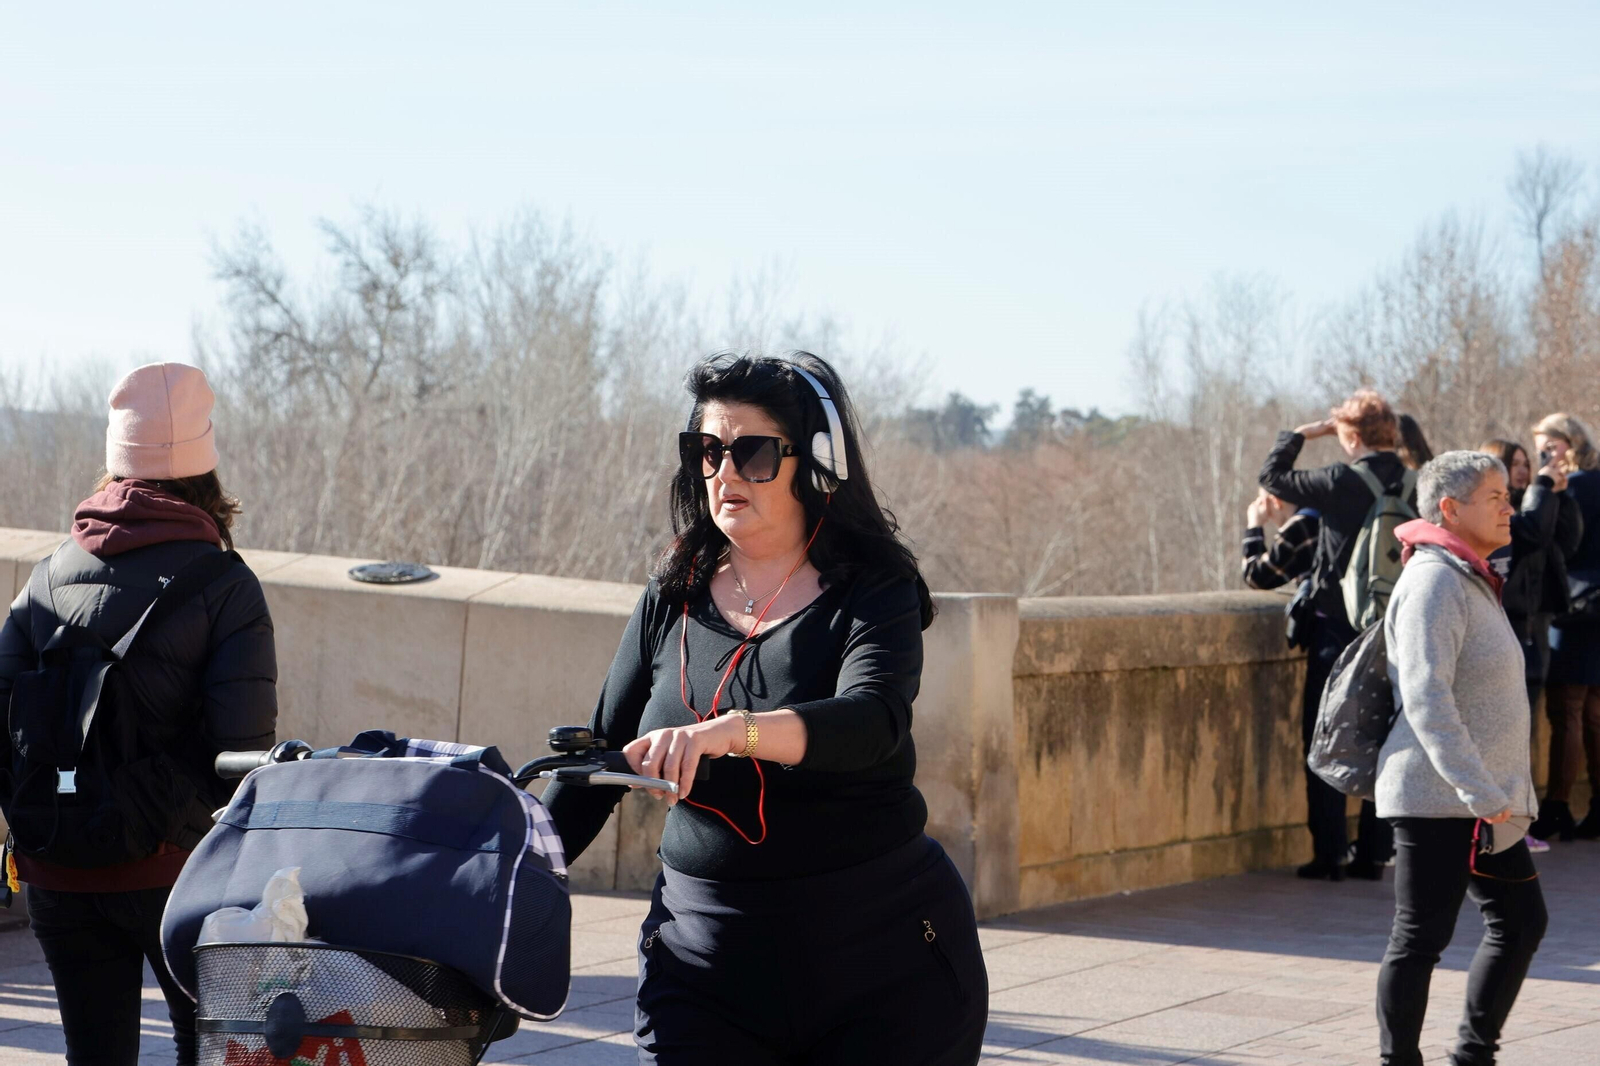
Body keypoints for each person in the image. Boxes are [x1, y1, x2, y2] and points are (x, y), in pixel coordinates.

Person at [540, 351, 987, 1066]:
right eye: (707, 450)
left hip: (883, 967)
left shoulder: (874, 588)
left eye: (750, 452)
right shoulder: (674, 590)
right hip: (703, 966)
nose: (723, 471)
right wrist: (502, 871)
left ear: (814, 464)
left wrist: (733, 734)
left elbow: (873, 720)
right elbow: (602, 755)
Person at [0, 363, 278, 1066]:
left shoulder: (48, 573)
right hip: (173, 870)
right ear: (207, 468)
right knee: (204, 1047)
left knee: (95, 1054)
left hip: (56, 863)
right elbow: (244, 749)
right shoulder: (224, 584)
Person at [1376, 451, 1544, 1066]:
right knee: (1419, 939)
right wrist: (1480, 790)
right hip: (1439, 796)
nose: (1509, 505)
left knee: (1522, 924)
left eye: (1508, 494)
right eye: (1495, 496)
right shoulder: (1435, 581)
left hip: (1481, 802)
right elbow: (1425, 697)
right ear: (1449, 508)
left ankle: (1474, 1055)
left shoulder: (1470, 574)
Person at [1260, 388, 1409, 881]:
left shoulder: (1340, 480)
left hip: (1336, 628)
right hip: (1394, 629)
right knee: (1384, 738)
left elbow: (1273, 477)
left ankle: (1330, 854)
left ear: (1349, 435)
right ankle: (1374, 852)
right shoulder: (1413, 482)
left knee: (1324, 736)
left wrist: (1301, 434)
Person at [1533, 413, 1600, 841]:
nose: (1542, 455)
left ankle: (1557, 804)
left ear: (1566, 445)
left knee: (1568, 710)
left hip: (1573, 608)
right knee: (1593, 711)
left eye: (1546, 447)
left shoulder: (1571, 488)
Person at [1242, 488, 1319, 592]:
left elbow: (1255, 577)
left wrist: (1254, 526)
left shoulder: (1297, 529)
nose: (1268, 517)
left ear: (1276, 501)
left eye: (1264, 505)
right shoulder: (1319, 513)